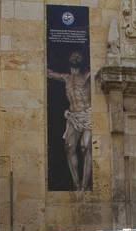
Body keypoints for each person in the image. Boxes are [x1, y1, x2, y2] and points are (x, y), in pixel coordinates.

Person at [48, 51, 92, 191]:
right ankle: (76, 184)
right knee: (69, 148)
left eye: (78, 56)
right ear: (69, 60)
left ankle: (84, 185)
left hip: (87, 116)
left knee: (85, 147)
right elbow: (49, 73)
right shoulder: (66, 78)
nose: (76, 57)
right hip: (73, 116)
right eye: (73, 56)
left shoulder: (86, 76)